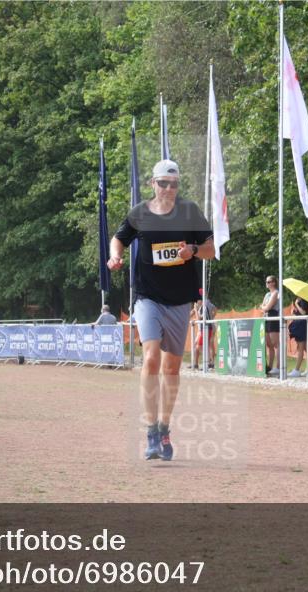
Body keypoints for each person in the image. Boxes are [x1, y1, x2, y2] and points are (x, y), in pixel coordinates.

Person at [108, 159, 214, 461]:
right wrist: (115, 257)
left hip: (180, 300)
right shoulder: (140, 213)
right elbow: (119, 238)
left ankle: (165, 428)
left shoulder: (190, 212)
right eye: (163, 183)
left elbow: (211, 249)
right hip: (147, 297)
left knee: (171, 368)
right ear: (152, 184)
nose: (168, 188)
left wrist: (192, 250)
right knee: (151, 357)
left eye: (174, 183)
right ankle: (151, 430)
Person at [191, 292, 217, 370]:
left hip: (206, 328)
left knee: (202, 346)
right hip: (204, 328)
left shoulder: (204, 305)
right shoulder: (204, 304)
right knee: (199, 345)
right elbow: (215, 309)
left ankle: (209, 362)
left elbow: (199, 318)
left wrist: (195, 309)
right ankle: (199, 363)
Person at [260, 276, 280, 376]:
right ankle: (270, 366)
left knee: (276, 344)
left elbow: (267, 307)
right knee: (269, 345)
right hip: (266, 318)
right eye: (266, 281)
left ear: (273, 283)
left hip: (273, 317)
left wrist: (264, 307)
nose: (267, 283)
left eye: (269, 281)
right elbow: (262, 307)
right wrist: (264, 307)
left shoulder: (276, 293)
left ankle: (278, 367)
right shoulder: (267, 294)